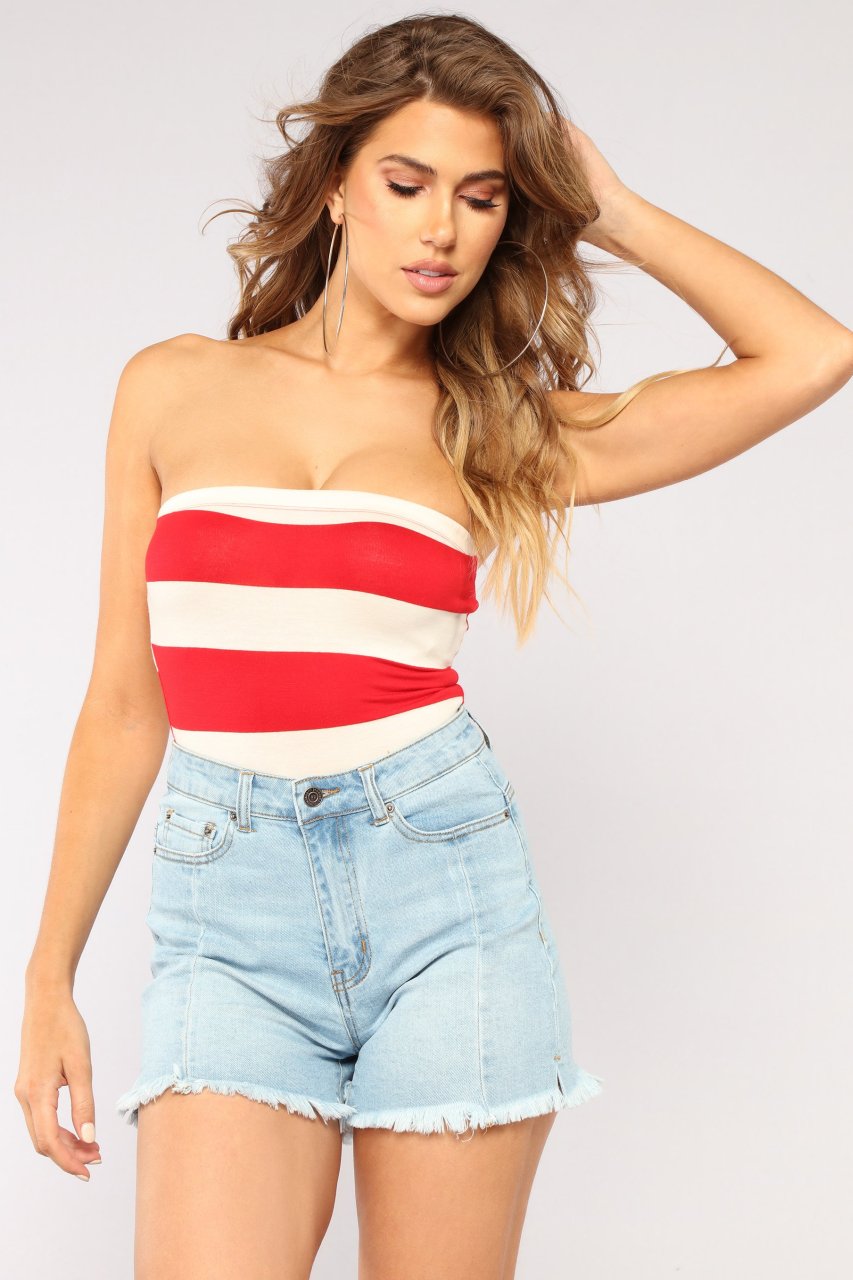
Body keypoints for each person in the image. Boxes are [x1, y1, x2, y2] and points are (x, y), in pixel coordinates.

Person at [16, 12, 853, 1279]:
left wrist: (613, 210)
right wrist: (49, 976)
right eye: (407, 184)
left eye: (481, 196)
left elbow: (812, 355)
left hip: (446, 901)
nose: (442, 230)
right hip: (227, 920)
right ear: (336, 186)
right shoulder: (170, 386)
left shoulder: (496, 424)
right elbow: (127, 706)